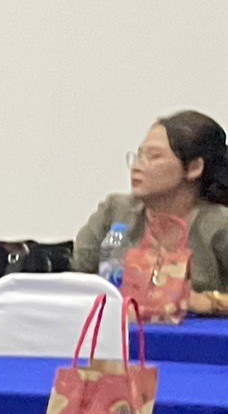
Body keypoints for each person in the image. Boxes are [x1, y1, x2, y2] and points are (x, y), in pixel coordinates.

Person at [73, 112, 228, 323]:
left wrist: (208, 302)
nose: (137, 166)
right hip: (118, 337)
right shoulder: (115, 211)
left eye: (153, 157)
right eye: (138, 156)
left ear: (194, 168)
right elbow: (76, 278)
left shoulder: (219, 224)